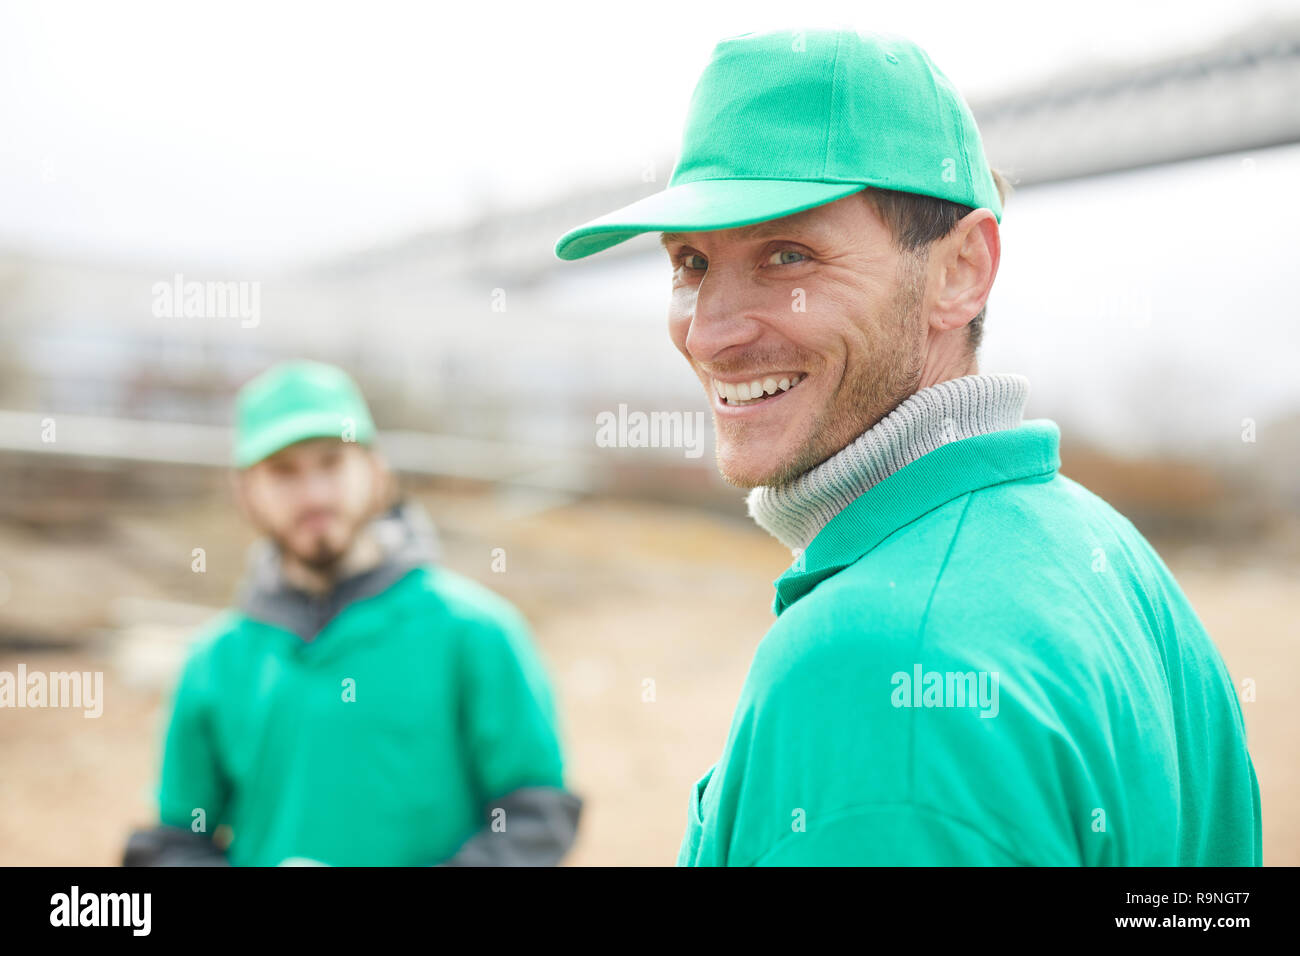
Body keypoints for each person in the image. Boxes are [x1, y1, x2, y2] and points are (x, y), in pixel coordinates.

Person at [554, 28, 1261, 866]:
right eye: (692, 262)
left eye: (789, 256)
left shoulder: (872, 666)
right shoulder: (1111, 559)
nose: (710, 333)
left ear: (962, 270)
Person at [123, 360, 580, 866]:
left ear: (377, 471)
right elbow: (176, 844)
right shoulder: (215, 662)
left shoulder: (476, 633)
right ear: (245, 493)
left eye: (331, 463)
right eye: (283, 472)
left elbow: (536, 817)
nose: (314, 494)